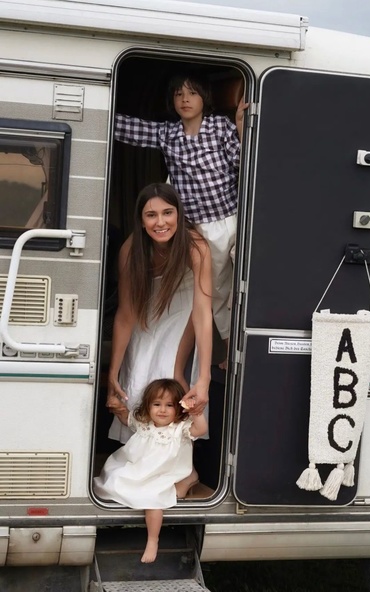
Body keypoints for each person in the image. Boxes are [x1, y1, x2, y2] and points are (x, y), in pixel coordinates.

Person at [114, 73, 247, 368]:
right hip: (196, 225)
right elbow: (129, 129)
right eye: (178, 94)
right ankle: (225, 350)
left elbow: (242, 163)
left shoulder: (220, 127)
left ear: (204, 98)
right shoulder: (168, 134)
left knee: (236, 283)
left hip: (229, 218)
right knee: (212, 289)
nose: (185, 99)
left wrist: (240, 126)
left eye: (192, 93)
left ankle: (237, 346)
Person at [106, 182, 212, 444]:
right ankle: (137, 448)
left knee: (170, 372)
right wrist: (112, 374)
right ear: (141, 221)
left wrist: (204, 379)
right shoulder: (131, 250)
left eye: (167, 213)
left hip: (184, 305)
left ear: (179, 214)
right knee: (137, 369)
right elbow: (126, 314)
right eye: (151, 215)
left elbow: (202, 313)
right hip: (145, 306)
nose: (160, 222)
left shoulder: (196, 246)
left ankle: (178, 453)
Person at [95, 378, 208, 563]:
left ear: (179, 408)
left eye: (169, 405)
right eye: (157, 404)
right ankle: (187, 479)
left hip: (164, 474)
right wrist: (118, 407)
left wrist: (196, 412)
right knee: (114, 479)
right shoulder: (144, 423)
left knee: (153, 499)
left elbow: (201, 429)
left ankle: (153, 540)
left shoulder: (180, 429)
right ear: (148, 406)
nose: (162, 410)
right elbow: (126, 418)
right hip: (140, 469)